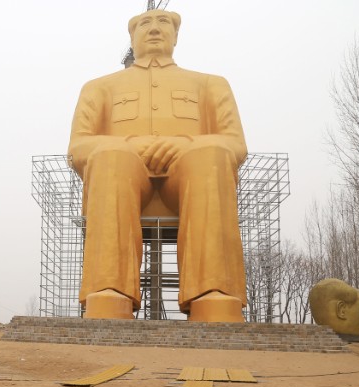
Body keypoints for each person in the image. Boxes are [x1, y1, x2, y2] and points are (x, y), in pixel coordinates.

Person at [68, 9, 247, 321]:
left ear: (176, 37)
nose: (153, 29)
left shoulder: (210, 84)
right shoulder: (99, 88)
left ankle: (212, 291)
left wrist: (186, 144)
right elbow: (78, 147)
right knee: (111, 157)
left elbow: (235, 144)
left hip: (189, 179)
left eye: (163, 23)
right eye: (144, 24)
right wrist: (127, 145)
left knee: (212, 155)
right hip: (124, 179)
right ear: (132, 38)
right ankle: (112, 290)